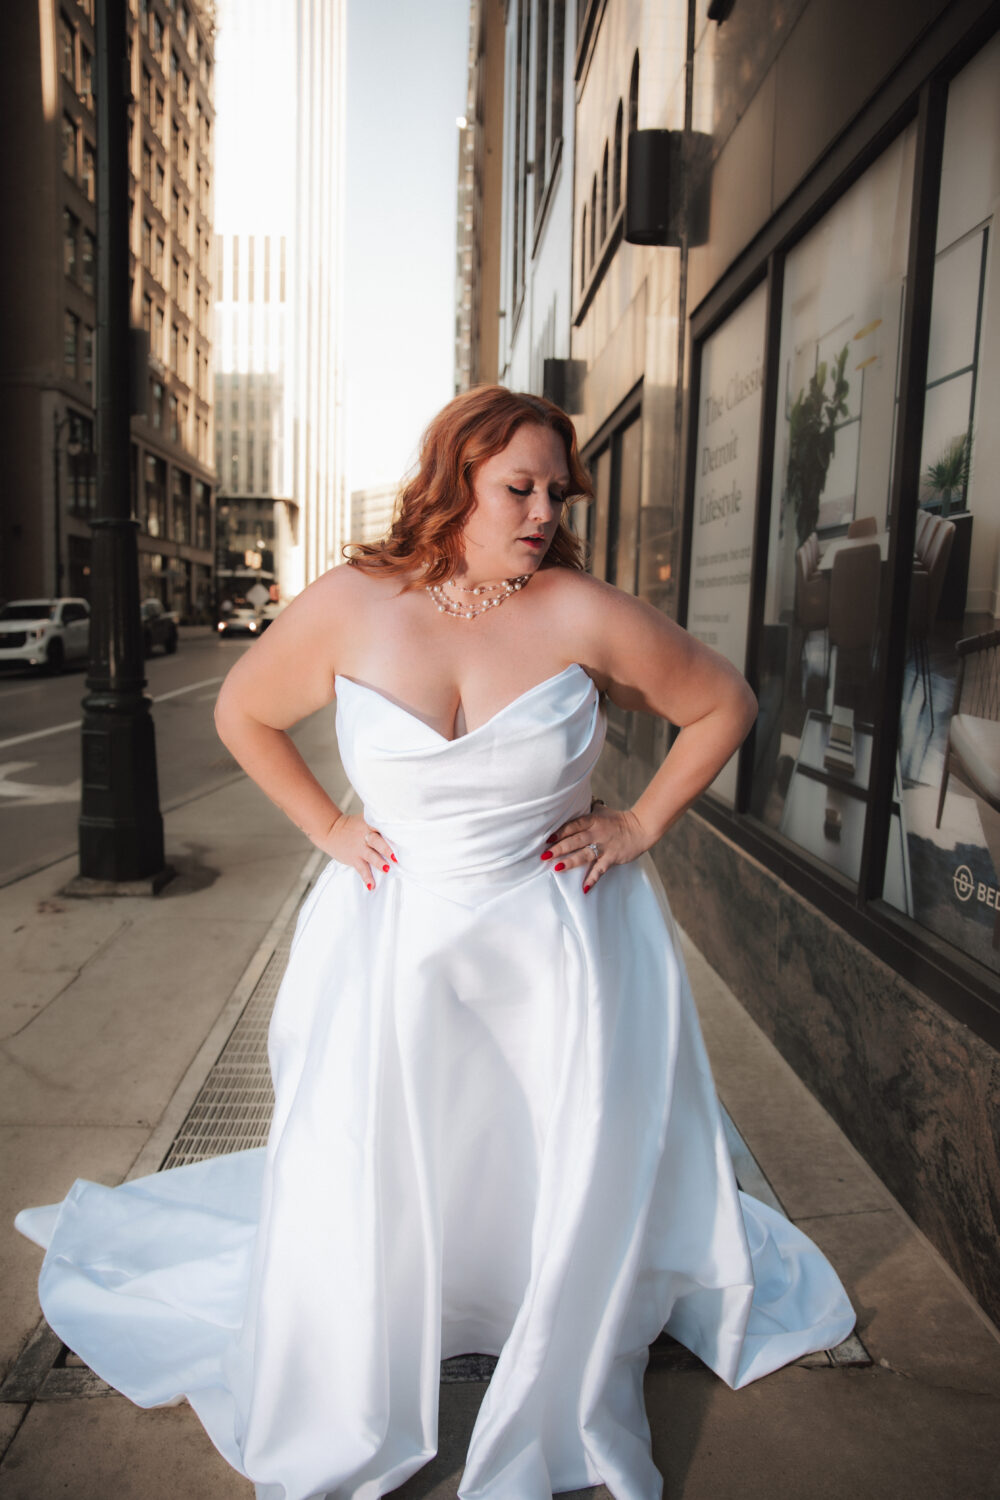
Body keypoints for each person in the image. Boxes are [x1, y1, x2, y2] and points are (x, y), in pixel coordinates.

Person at [16, 387, 855, 1500]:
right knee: (383, 1144)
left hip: (555, 942)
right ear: (454, 482)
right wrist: (329, 827)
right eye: (520, 488)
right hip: (390, 937)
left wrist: (640, 823)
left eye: (558, 493)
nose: (545, 512)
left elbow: (725, 704)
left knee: (544, 1139)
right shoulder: (354, 601)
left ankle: (533, 1305)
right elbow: (243, 712)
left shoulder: (581, 610)